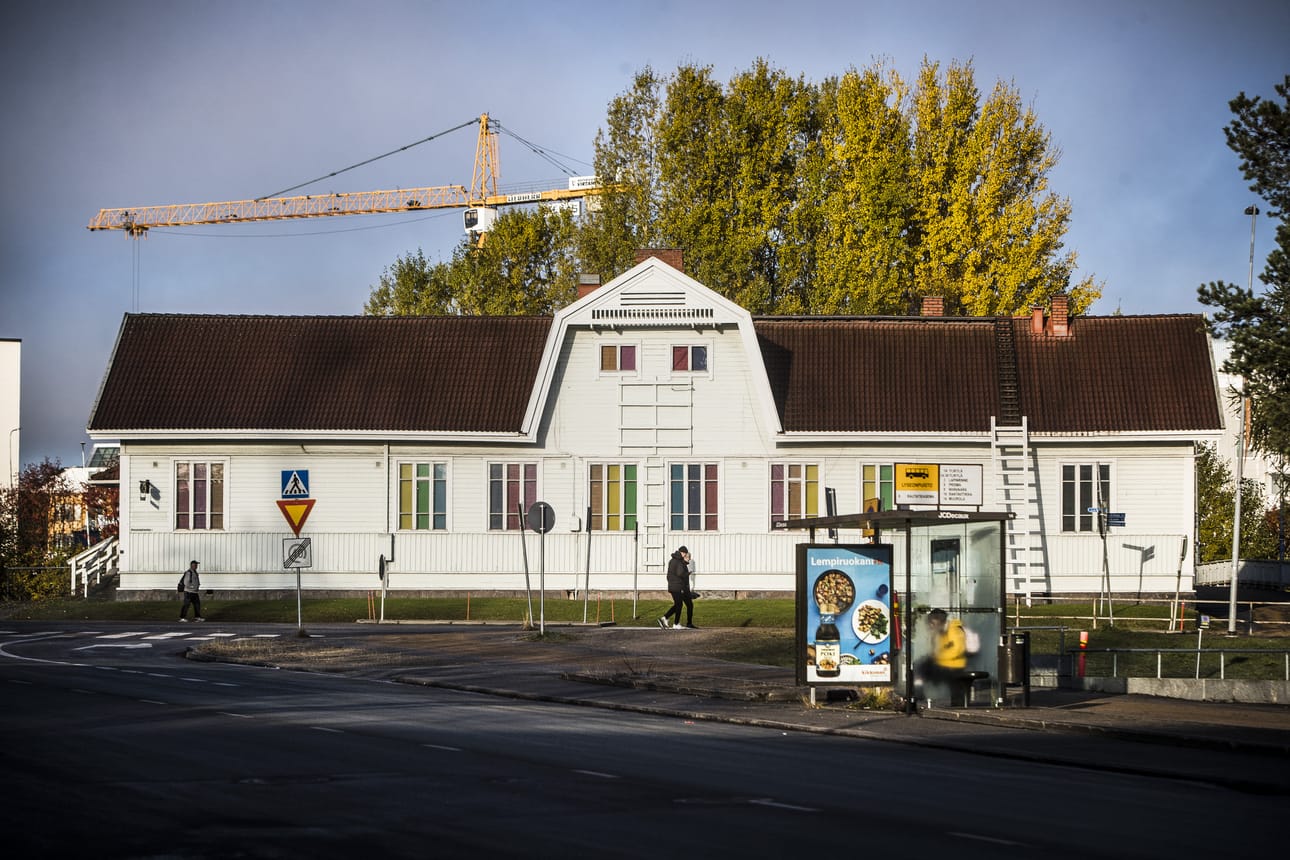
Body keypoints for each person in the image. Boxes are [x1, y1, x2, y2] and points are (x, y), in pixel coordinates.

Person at [658, 546, 696, 629]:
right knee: (679, 604)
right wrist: (688, 573)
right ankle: (675, 623)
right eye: (685, 554)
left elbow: (671, 574)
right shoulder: (678, 561)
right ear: (682, 553)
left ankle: (665, 618)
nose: (685, 556)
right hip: (677, 586)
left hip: (672, 585)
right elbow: (680, 573)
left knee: (678, 604)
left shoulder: (672, 560)